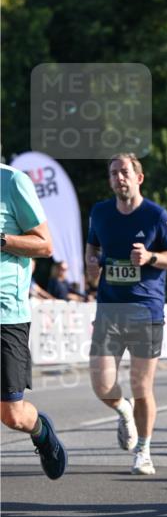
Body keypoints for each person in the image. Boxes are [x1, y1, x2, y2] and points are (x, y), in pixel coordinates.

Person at [86, 153, 167, 475]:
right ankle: (123, 410)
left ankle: (143, 450)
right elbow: (93, 250)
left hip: (146, 311)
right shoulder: (99, 213)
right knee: (102, 386)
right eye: (114, 173)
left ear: (138, 177)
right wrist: (91, 266)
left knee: (142, 387)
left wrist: (152, 257)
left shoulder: (157, 215)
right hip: (109, 311)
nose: (119, 178)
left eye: (125, 172)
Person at [0, 164, 68, 478]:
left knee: (12, 415)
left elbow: (45, 244)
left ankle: (41, 433)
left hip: (6, 315)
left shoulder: (13, 181)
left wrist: (2, 240)